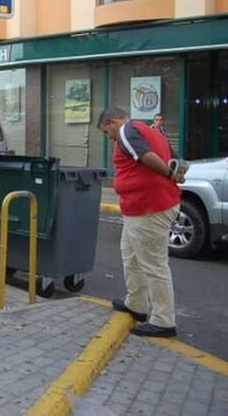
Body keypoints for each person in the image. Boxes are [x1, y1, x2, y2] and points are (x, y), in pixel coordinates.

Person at [97, 108, 183, 338]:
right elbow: (174, 156)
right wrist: (176, 172)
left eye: (107, 132)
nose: (110, 137)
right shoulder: (151, 130)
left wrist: (168, 174)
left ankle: (164, 321)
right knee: (130, 254)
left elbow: (145, 156)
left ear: (113, 122)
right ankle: (137, 304)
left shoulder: (126, 130)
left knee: (154, 264)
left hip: (149, 208)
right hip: (141, 208)